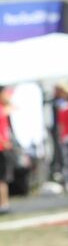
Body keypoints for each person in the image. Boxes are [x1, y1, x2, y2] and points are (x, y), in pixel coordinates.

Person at [0, 86, 13, 214]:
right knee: (2, 178)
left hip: (3, 146)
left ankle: (4, 203)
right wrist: (3, 141)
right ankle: (3, 204)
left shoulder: (3, 108)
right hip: (1, 147)